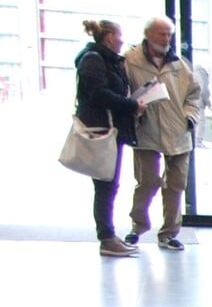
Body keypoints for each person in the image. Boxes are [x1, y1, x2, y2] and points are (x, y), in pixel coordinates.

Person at [123, 15, 201, 252]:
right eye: (162, 33)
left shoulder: (178, 64)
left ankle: (169, 233)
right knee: (147, 182)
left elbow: (194, 94)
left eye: (169, 34)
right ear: (148, 34)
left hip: (178, 131)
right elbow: (123, 91)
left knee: (176, 184)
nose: (166, 38)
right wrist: (133, 108)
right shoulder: (130, 60)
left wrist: (190, 116)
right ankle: (137, 226)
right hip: (146, 131)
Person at [74, 18, 146, 257]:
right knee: (105, 185)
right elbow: (98, 94)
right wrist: (131, 105)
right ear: (109, 38)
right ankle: (106, 237)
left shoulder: (107, 60)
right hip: (102, 130)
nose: (122, 41)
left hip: (112, 130)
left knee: (109, 185)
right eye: (119, 36)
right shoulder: (93, 60)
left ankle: (109, 235)